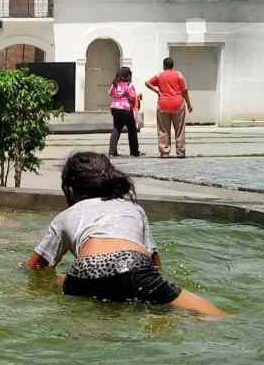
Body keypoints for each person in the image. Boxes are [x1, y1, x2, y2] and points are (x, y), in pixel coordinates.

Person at [25, 152, 225, 318]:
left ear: (68, 190)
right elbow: (155, 264)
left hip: (84, 271)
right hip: (132, 265)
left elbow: (35, 266)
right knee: (209, 313)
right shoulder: (133, 208)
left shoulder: (65, 216)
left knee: (58, 281)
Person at [145, 57, 192, 158]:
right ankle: (180, 152)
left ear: (164, 66)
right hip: (178, 104)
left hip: (163, 104)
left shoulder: (159, 75)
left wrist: (157, 91)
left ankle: (164, 152)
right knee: (179, 129)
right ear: (172, 65)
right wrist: (189, 104)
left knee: (163, 130)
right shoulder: (179, 75)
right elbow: (185, 91)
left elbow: (147, 83)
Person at [107, 66, 142, 157]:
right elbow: (133, 96)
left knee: (117, 128)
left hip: (115, 108)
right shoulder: (128, 85)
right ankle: (134, 151)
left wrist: (119, 96)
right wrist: (135, 98)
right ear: (127, 75)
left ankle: (112, 151)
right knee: (132, 129)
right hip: (125, 109)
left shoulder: (115, 84)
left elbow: (110, 93)